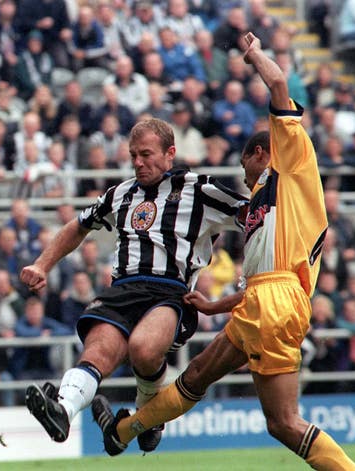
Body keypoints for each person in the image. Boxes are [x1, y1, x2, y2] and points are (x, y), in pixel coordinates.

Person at [91, 32, 355, 471]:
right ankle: (121, 432)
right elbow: (263, 275)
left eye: (245, 163)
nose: (243, 171)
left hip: (276, 301)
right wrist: (216, 307)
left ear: (261, 153)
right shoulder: (263, 204)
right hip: (262, 299)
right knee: (197, 376)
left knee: (285, 423)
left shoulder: (290, 164)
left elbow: (279, 88)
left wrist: (253, 54)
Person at [20, 116, 247, 447]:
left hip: (169, 293)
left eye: (146, 154)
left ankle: (146, 416)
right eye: (133, 156)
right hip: (123, 289)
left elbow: (254, 218)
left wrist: (255, 275)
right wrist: (42, 265)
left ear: (170, 153)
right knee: (98, 349)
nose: (138, 163)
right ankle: (63, 411)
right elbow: (78, 226)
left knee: (143, 348)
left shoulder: (199, 189)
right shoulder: (120, 194)